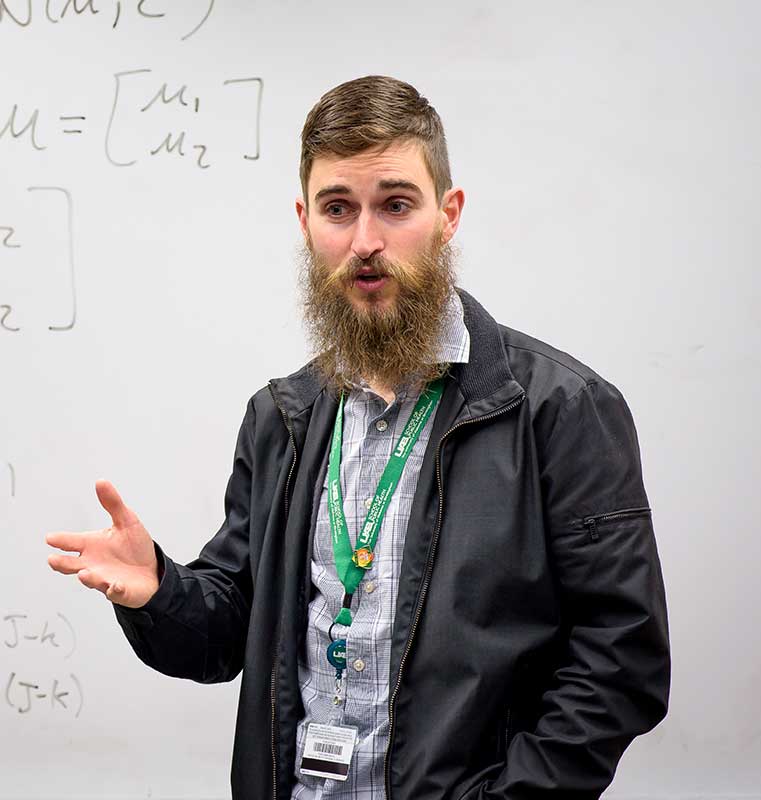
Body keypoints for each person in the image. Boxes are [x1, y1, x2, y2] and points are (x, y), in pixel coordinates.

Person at [46, 75, 670, 800]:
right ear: (305, 220)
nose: (366, 242)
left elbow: (621, 660)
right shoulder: (281, 418)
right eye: (338, 208)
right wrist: (158, 591)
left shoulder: (561, 409)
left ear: (448, 214)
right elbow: (229, 635)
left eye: (395, 205)